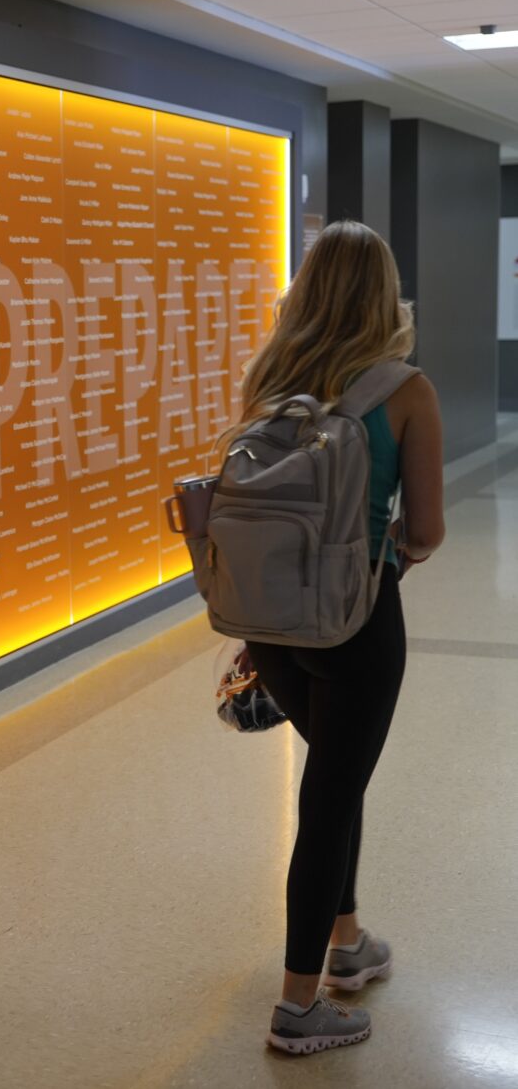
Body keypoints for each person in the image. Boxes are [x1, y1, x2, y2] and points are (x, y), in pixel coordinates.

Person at [228, 220, 445, 1055]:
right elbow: (424, 530)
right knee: (328, 797)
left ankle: (347, 943)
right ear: (384, 294)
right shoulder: (406, 390)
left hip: (272, 624)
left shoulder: (270, 375)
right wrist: (386, 549)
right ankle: (298, 1005)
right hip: (357, 622)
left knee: (334, 779)